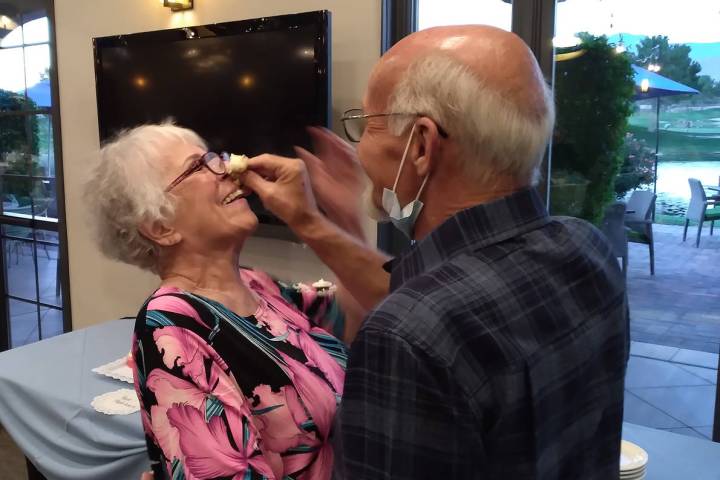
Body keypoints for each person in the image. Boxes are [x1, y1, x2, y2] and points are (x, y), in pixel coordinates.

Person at [242, 25, 629, 479]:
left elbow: (421, 317)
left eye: (366, 125)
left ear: (421, 144)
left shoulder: (409, 334)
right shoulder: (586, 249)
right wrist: (318, 222)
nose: (357, 146)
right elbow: (417, 292)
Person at [85, 123, 357, 480]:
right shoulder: (171, 328)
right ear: (160, 226)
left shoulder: (256, 284)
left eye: (217, 158)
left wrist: (341, 214)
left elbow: (362, 315)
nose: (230, 169)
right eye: (200, 165)